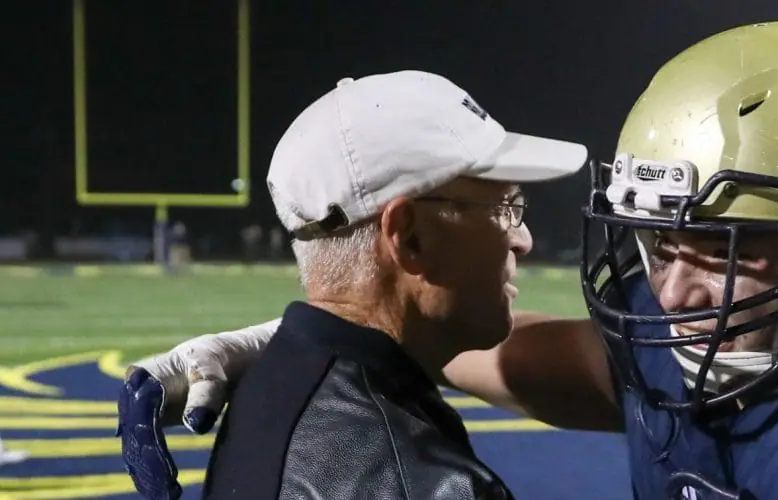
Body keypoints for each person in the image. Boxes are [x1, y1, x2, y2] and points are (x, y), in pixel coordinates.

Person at [119, 22, 778, 499]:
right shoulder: (680, 348)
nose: (676, 291)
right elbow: (490, 347)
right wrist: (304, 346)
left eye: (732, 253)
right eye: (660, 241)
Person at [116, 69, 587, 500]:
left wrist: (314, 345)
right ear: (410, 238)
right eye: (505, 209)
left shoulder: (277, 387)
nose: (523, 240)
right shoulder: (420, 482)